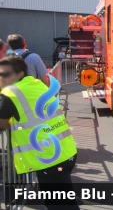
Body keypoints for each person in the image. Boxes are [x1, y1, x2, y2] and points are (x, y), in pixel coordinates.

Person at [0, 56, 79, 209]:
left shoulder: (11, 93)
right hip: (64, 151)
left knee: (60, 205)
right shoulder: (37, 84)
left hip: (50, 158)